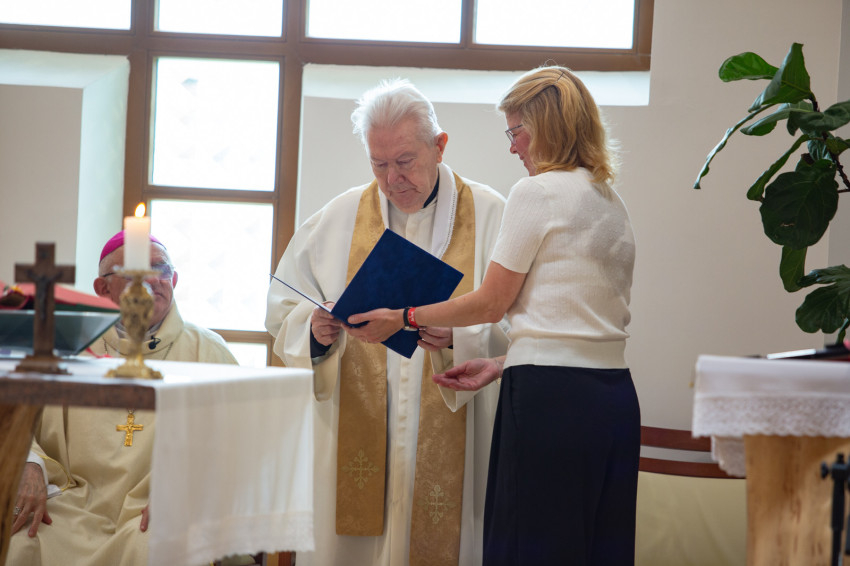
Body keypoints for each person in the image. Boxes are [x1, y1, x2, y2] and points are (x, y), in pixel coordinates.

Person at [349, 65, 640, 566]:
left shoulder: (537, 192)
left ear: (547, 126)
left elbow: (490, 303)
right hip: (612, 401)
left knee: (531, 551)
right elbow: (582, 325)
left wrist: (404, 316)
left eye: (516, 131)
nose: (513, 147)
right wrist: (503, 363)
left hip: (551, 405)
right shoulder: (609, 199)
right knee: (596, 551)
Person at [265, 78, 507, 566]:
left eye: (405, 161)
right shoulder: (338, 218)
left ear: (439, 146)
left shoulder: (491, 216)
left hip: (452, 435)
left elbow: (525, 328)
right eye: (379, 164)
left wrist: (459, 338)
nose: (393, 179)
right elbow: (282, 307)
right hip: (358, 431)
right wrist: (314, 331)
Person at [8, 231, 243, 566]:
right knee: (20, 545)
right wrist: (29, 464)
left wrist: (190, 486)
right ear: (103, 288)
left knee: (158, 548)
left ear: (174, 280)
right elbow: (15, 418)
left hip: (160, 505)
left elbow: (241, 440)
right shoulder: (66, 348)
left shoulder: (208, 352)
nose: (151, 280)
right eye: (134, 272)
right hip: (73, 503)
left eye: (160, 269)